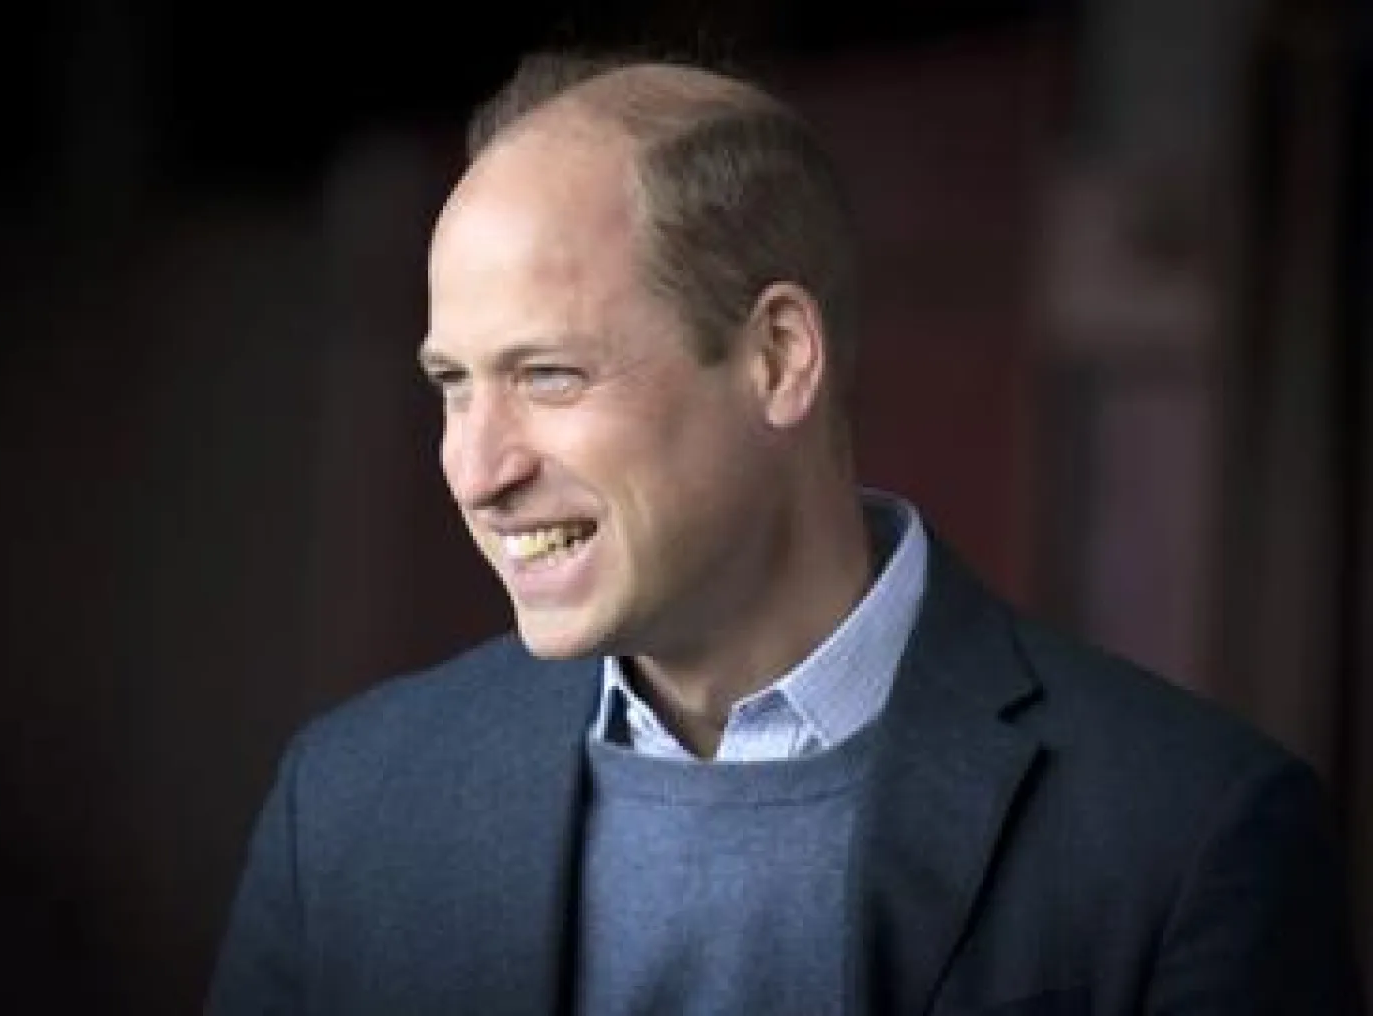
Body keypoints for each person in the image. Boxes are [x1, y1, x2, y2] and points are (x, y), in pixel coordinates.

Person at [205, 48, 1366, 1015]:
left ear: (776, 358)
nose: (476, 466)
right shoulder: (346, 806)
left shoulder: (1192, 837)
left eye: (548, 375)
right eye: (453, 383)